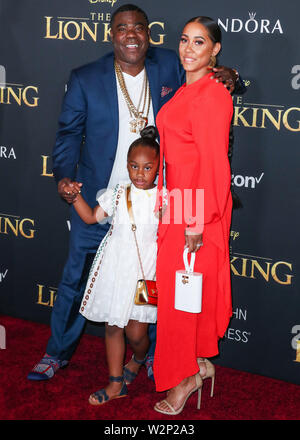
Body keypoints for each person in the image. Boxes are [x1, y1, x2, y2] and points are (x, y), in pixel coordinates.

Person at [27, 4, 243, 382]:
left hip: (157, 206)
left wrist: (230, 76)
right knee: (76, 280)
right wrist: (63, 175)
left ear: (149, 34)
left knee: (153, 286)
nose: (131, 35)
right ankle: (56, 352)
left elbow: (205, 80)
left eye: (138, 28)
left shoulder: (170, 64)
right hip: (104, 200)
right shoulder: (85, 78)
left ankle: (156, 357)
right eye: (122, 28)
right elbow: (67, 136)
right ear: (111, 34)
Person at [153, 16, 233, 415]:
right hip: (176, 206)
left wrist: (196, 221)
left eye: (199, 42)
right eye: (184, 40)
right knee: (180, 296)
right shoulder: (189, 89)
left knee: (184, 300)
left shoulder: (213, 95)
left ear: (214, 49)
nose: (188, 49)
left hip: (196, 210)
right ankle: (200, 363)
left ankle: (187, 376)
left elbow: (215, 167)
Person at [62, 127, 160, 404]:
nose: (139, 173)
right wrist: (74, 196)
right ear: (126, 165)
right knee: (113, 326)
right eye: (134, 166)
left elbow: (181, 229)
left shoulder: (165, 197)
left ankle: (139, 358)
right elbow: (93, 217)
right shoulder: (118, 193)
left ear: (157, 167)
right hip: (115, 267)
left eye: (147, 167)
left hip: (146, 272)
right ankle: (116, 383)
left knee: (137, 332)